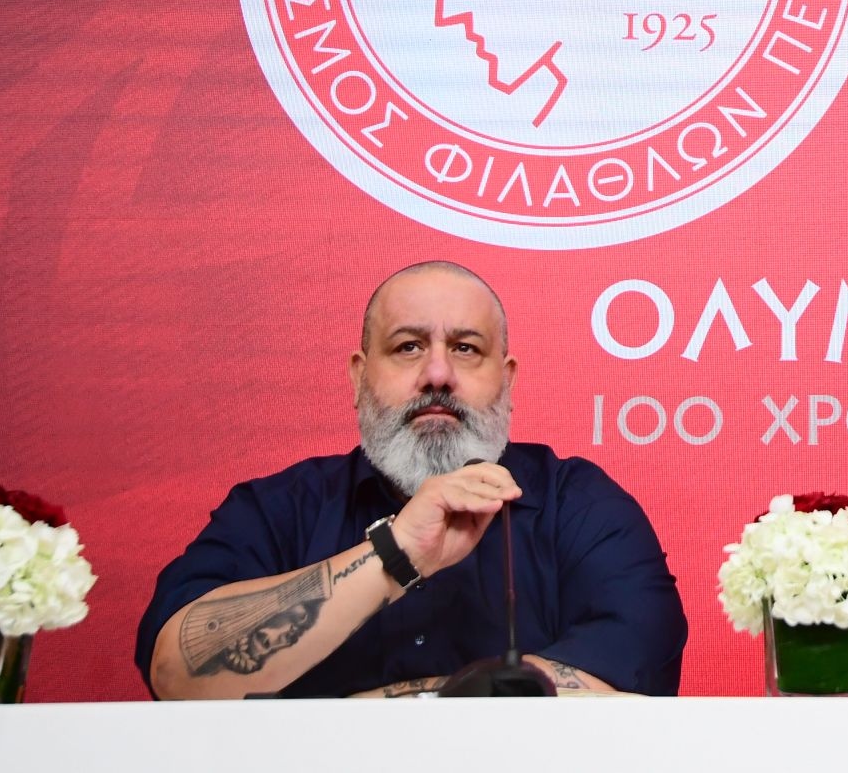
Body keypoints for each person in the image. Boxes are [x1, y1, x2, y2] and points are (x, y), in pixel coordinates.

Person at [137, 261, 687, 698]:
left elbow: (630, 686)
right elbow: (176, 675)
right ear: (359, 376)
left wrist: (375, 711)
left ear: (507, 379)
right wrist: (397, 553)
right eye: (408, 347)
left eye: (466, 349)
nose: (438, 374)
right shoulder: (275, 510)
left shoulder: (581, 506)